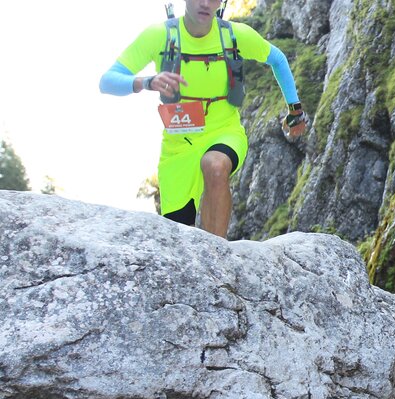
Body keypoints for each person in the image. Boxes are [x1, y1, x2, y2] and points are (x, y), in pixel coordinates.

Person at [99, 0, 307, 238]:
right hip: (178, 146)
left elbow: (277, 59)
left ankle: (216, 257)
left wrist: (295, 111)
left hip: (224, 131)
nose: (206, 3)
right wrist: (145, 82)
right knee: (178, 235)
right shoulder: (160, 36)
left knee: (215, 165)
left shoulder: (235, 35)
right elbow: (107, 81)